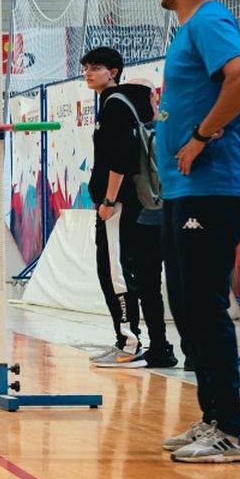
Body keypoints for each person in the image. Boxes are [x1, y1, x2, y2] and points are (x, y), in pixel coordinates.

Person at [152, 0, 240, 464]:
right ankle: (213, 416)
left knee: (205, 305)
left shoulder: (209, 20)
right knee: (188, 305)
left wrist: (200, 136)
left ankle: (233, 432)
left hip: (212, 189)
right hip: (186, 190)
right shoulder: (189, 29)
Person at [81, 46, 175, 370]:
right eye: (86, 67)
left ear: (113, 72)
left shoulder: (115, 105)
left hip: (120, 204)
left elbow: (120, 159)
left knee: (116, 274)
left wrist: (109, 201)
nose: (88, 73)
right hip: (128, 205)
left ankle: (129, 344)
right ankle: (141, 343)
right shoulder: (114, 104)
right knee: (126, 274)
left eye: (96, 67)